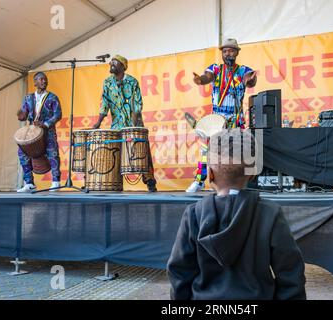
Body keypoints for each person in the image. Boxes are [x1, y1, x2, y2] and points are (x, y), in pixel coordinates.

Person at [167, 129, 306, 300]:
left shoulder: (193, 214)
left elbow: (179, 272)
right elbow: (291, 274)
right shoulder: (270, 213)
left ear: (209, 173)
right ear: (254, 173)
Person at [186, 38, 257, 193]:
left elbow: (249, 80)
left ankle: (235, 185)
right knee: (207, 151)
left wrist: (250, 81)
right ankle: (199, 181)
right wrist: (200, 80)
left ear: (237, 53)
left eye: (231, 50)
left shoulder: (243, 70)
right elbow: (207, 77)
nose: (227, 53)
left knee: (235, 152)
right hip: (216, 121)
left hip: (235, 118)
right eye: (224, 51)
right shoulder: (216, 69)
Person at [92, 54, 157, 192]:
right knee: (115, 152)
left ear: (122, 66)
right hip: (117, 124)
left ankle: (150, 181)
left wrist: (133, 126)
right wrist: (98, 121)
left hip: (134, 122)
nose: (111, 64)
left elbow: (137, 104)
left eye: (115, 62)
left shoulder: (132, 82)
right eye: (111, 63)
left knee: (142, 152)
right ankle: (115, 182)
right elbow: (104, 103)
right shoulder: (107, 82)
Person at [16, 72, 62, 193]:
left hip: (48, 132)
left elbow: (58, 114)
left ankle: (56, 181)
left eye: (45, 80)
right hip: (32, 133)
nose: (44, 81)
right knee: (22, 153)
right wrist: (21, 116)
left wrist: (45, 124)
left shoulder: (52, 97)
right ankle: (29, 183)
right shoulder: (28, 98)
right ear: (35, 82)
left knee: (53, 154)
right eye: (41, 79)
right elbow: (24, 115)